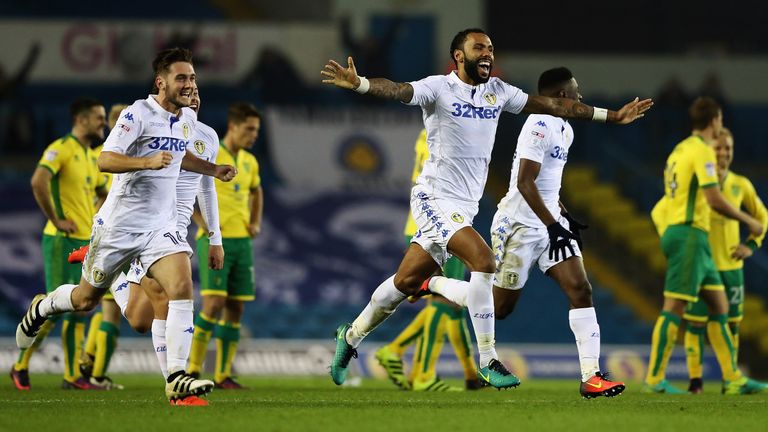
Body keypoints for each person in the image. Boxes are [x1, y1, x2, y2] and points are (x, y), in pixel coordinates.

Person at [321, 28, 652, 389]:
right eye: (479, 47)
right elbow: (399, 89)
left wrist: (613, 116)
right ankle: (489, 359)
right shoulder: (438, 88)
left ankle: (349, 337)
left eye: (491, 48)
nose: (488, 53)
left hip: (465, 205)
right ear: (459, 56)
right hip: (433, 197)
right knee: (484, 262)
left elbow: (556, 105)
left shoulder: (499, 92)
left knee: (404, 282)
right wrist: (362, 85)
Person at [14, 47, 236, 404]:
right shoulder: (138, 114)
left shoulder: (185, 121)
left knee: (181, 287)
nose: (189, 84)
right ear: (160, 82)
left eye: (192, 77)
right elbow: (104, 159)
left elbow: (181, 157)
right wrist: (145, 163)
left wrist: (213, 169)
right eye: (182, 78)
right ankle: (44, 306)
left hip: (159, 228)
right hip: (118, 227)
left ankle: (177, 377)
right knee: (86, 300)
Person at [477, 67, 623, 398]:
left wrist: (564, 217)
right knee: (499, 308)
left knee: (580, 289)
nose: (580, 98)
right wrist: (553, 224)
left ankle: (591, 376)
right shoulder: (538, 124)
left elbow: (547, 184)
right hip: (519, 226)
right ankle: (437, 286)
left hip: (550, 225)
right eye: (575, 92)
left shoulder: (566, 129)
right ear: (560, 97)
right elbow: (525, 182)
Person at [643, 97, 764, 395]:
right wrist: (749, 221)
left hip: (690, 236)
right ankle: (655, 379)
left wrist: (669, 232)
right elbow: (713, 199)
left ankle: (732, 378)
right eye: (720, 121)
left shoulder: (678, 150)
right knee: (674, 307)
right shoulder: (701, 151)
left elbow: (665, 203)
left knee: (719, 307)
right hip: (691, 235)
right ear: (715, 120)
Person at [10, 98, 108, 391]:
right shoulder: (60, 149)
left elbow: (103, 192)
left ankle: (71, 375)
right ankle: (21, 365)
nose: (103, 123)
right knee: (55, 307)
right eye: (99, 118)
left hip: (85, 241)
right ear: (81, 119)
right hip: (61, 238)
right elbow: (38, 181)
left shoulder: (90, 157)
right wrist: (57, 218)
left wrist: (99, 220)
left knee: (79, 306)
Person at [374, 129, 481, 392]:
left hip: (428, 221)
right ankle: (419, 370)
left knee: (452, 306)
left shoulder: (430, 132)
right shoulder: (450, 132)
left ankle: (471, 376)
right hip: (442, 224)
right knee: (445, 302)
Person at [187, 102, 263, 389]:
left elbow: (257, 190)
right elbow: (188, 184)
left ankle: (223, 374)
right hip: (214, 240)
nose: (254, 135)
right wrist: (199, 220)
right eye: (249, 129)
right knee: (213, 303)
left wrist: (255, 221)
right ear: (233, 126)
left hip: (242, 242)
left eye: (256, 130)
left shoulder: (250, 162)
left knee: (236, 307)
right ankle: (192, 369)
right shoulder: (211, 152)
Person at [79, 103, 129, 390]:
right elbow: (103, 200)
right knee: (110, 311)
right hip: (116, 240)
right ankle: (96, 374)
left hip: (105, 239)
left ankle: (88, 361)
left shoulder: (104, 156)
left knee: (100, 306)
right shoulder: (115, 159)